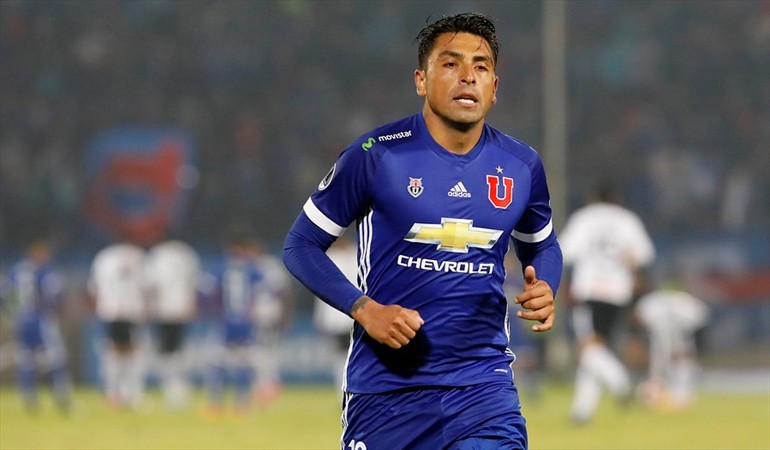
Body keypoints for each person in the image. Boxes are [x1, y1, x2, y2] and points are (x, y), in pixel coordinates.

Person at [283, 13, 563, 449]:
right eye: (451, 64)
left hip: (483, 391)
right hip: (386, 393)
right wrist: (365, 309)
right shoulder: (375, 156)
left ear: (494, 87)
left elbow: (543, 246)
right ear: (421, 80)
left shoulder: (521, 165)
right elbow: (301, 245)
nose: (467, 76)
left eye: (481, 67)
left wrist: (545, 284)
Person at [558, 185, 656, 424]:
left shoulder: (584, 218)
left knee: (589, 349)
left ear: (593, 198)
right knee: (596, 349)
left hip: (589, 289)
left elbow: (566, 251)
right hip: (617, 292)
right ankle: (582, 410)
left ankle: (621, 382)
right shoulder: (627, 220)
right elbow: (645, 254)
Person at [1, 241, 72, 413]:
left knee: (26, 359)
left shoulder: (15, 272)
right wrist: (58, 312)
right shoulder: (44, 272)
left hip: (21, 320)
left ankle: (29, 398)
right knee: (57, 357)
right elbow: (55, 295)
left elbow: (4, 295)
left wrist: (11, 314)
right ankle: (62, 397)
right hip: (41, 319)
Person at [88, 239, 149, 410]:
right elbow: (147, 286)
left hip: (109, 310)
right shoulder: (138, 256)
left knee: (112, 354)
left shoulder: (103, 257)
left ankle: (113, 393)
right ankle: (130, 393)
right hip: (131, 311)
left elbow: (93, 288)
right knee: (131, 353)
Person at [144, 238, 201, 410]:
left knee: (168, 351)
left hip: (164, 309)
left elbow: (150, 284)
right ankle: (177, 387)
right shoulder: (186, 253)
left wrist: (150, 306)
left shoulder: (157, 255)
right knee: (177, 350)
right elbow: (194, 282)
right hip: (180, 308)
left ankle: (173, 387)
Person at [634, 282, 710, 411]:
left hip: (662, 342)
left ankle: (662, 395)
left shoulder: (652, 301)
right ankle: (668, 395)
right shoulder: (688, 301)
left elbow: (639, 317)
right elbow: (701, 319)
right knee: (679, 366)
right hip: (678, 341)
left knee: (662, 368)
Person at [312, 234, 356, 397]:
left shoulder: (358, 254)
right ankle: (343, 391)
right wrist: (321, 318)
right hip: (336, 318)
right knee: (340, 358)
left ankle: (355, 391)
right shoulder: (329, 258)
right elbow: (321, 291)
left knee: (357, 356)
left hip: (359, 316)